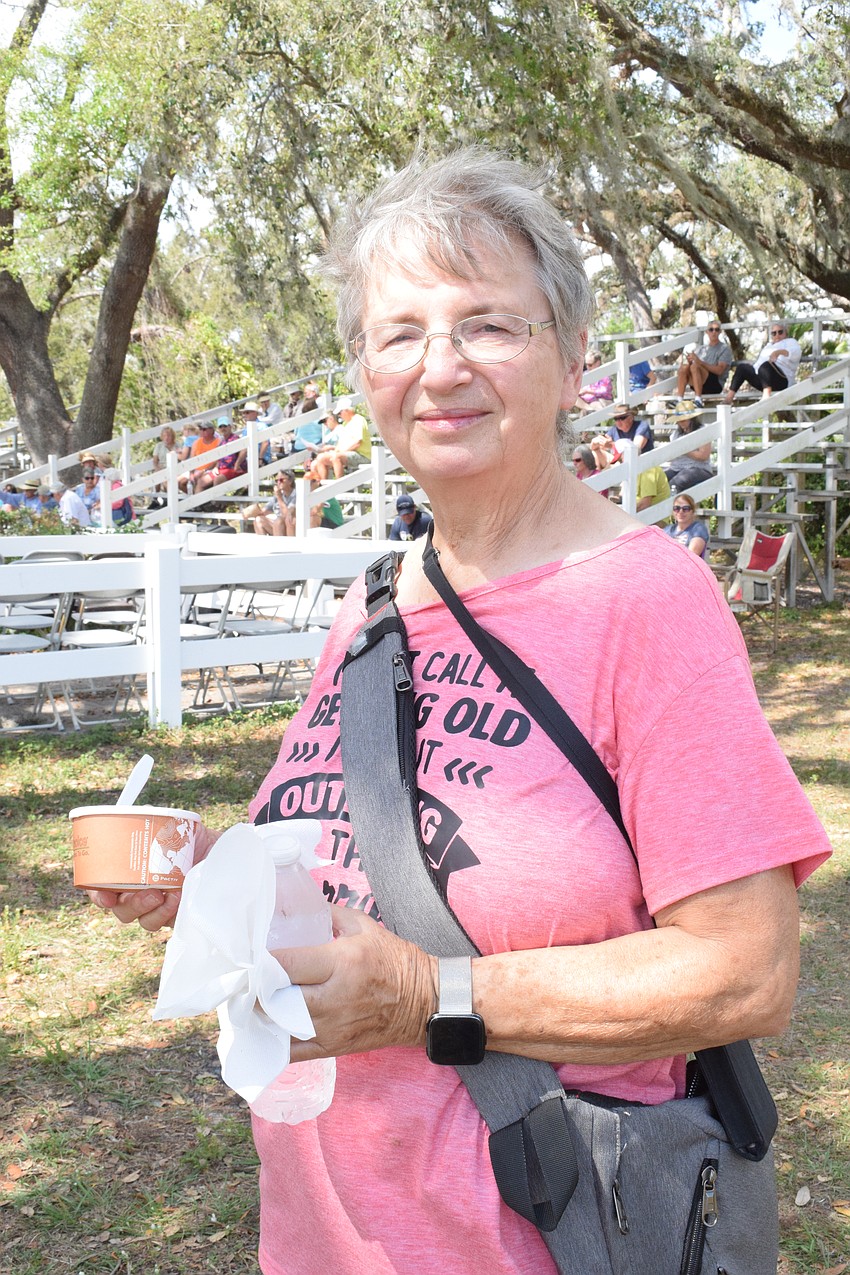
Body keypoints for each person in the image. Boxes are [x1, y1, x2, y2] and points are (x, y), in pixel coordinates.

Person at [90, 149, 830, 1275]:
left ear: (574, 357)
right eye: (397, 334)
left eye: (489, 325)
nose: (440, 369)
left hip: (550, 1238)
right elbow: (347, 866)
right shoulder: (374, 606)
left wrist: (427, 997)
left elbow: (744, 973)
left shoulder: (643, 601)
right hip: (328, 1239)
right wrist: (208, 875)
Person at [724, 322, 802, 403]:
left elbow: (796, 353)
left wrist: (778, 352)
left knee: (765, 366)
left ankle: (766, 396)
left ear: (786, 333)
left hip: (781, 380)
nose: (777, 335)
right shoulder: (768, 346)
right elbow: (757, 365)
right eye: (774, 333)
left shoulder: (790, 342)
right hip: (763, 379)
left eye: (780, 332)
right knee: (742, 367)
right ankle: (729, 398)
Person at [309, 397, 371, 479]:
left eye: (339, 413)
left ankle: (338, 485)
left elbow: (357, 443)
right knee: (321, 458)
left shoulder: (358, 420)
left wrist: (339, 452)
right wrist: (335, 451)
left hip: (362, 455)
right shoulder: (346, 424)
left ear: (346, 410)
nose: (339, 416)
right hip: (349, 454)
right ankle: (322, 485)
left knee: (336, 457)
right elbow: (341, 444)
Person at [663, 402, 715, 493]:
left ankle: (675, 506)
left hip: (699, 468)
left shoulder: (703, 431)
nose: (680, 423)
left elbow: (703, 456)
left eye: (683, 420)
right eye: (679, 421)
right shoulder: (676, 434)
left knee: (675, 483)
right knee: (659, 481)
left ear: (692, 419)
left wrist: (684, 450)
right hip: (676, 468)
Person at [676, 322, 733, 404]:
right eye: (711, 329)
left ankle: (698, 399)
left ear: (720, 332)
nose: (714, 332)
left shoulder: (724, 348)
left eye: (716, 330)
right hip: (698, 382)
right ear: (707, 332)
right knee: (683, 368)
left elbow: (720, 370)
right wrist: (689, 362)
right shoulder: (701, 349)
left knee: (695, 367)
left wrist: (699, 362)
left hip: (715, 384)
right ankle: (679, 400)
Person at [250, 470, 297, 536]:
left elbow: (287, 515)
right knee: (258, 520)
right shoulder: (278, 496)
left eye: (281, 480)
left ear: (290, 481)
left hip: (292, 527)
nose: (278, 482)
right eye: (276, 480)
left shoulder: (296, 495)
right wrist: (251, 512)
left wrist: (279, 497)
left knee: (279, 521)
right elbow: (263, 512)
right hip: (278, 526)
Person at [664, 492, 710, 558]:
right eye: (676, 508)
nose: (680, 512)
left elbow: (690, 557)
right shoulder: (668, 530)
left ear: (692, 511)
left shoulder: (698, 529)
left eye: (685, 508)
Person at [179, 420, 220, 492]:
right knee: (180, 482)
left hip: (210, 469)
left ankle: (198, 502)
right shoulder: (196, 443)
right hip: (197, 470)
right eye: (200, 429)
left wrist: (204, 470)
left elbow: (218, 460)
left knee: (200, 480)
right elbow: (192, 460)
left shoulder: (218, 442)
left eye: (204, 429)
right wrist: (191, 473)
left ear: (211, 430)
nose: (202, 431)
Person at [574, 348, 612, 414]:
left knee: (594, 407)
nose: (588, 367)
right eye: (586, 365)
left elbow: (604, 391)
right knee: (573, 397)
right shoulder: (585, 374)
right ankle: (589, 409)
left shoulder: (604, 374)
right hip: (585, 400)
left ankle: (589, 410)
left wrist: (587, 391)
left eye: (590, 365)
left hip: (599, 400)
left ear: (598, 363)